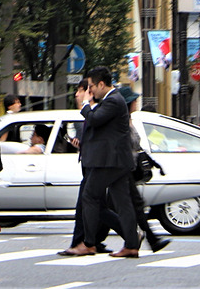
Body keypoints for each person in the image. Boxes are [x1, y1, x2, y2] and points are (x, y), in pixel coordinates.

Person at [61, 66, 139, 258]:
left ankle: (88, 243)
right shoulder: (112, 100)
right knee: (123, 203)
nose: (90, 91)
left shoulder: (113, 100)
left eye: (91, 87)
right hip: (115, 161)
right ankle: (131, 244)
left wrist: (86, 105)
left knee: (89, 196)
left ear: (101, 84)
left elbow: (95, 120)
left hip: (110, 162)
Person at [59, 79, 114, 255]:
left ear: (89, 93)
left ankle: (83, 242)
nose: (76, 94)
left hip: (95, 165)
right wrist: (80, 145)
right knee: (97, 206)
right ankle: (93, 241)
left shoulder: (94, 112)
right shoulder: (88, 113)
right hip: (90, 163)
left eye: (80, 90)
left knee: (87, 204)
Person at [119, 86, 171, 253]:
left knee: (134, 206)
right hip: (122, 170)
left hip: (129, 170)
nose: (136, 102)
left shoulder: (129, 120)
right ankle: (142, 239)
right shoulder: (121, 122)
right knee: (125, 207)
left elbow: (137, 146)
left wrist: (153, 162)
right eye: (134, 100)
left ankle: (144, 240)